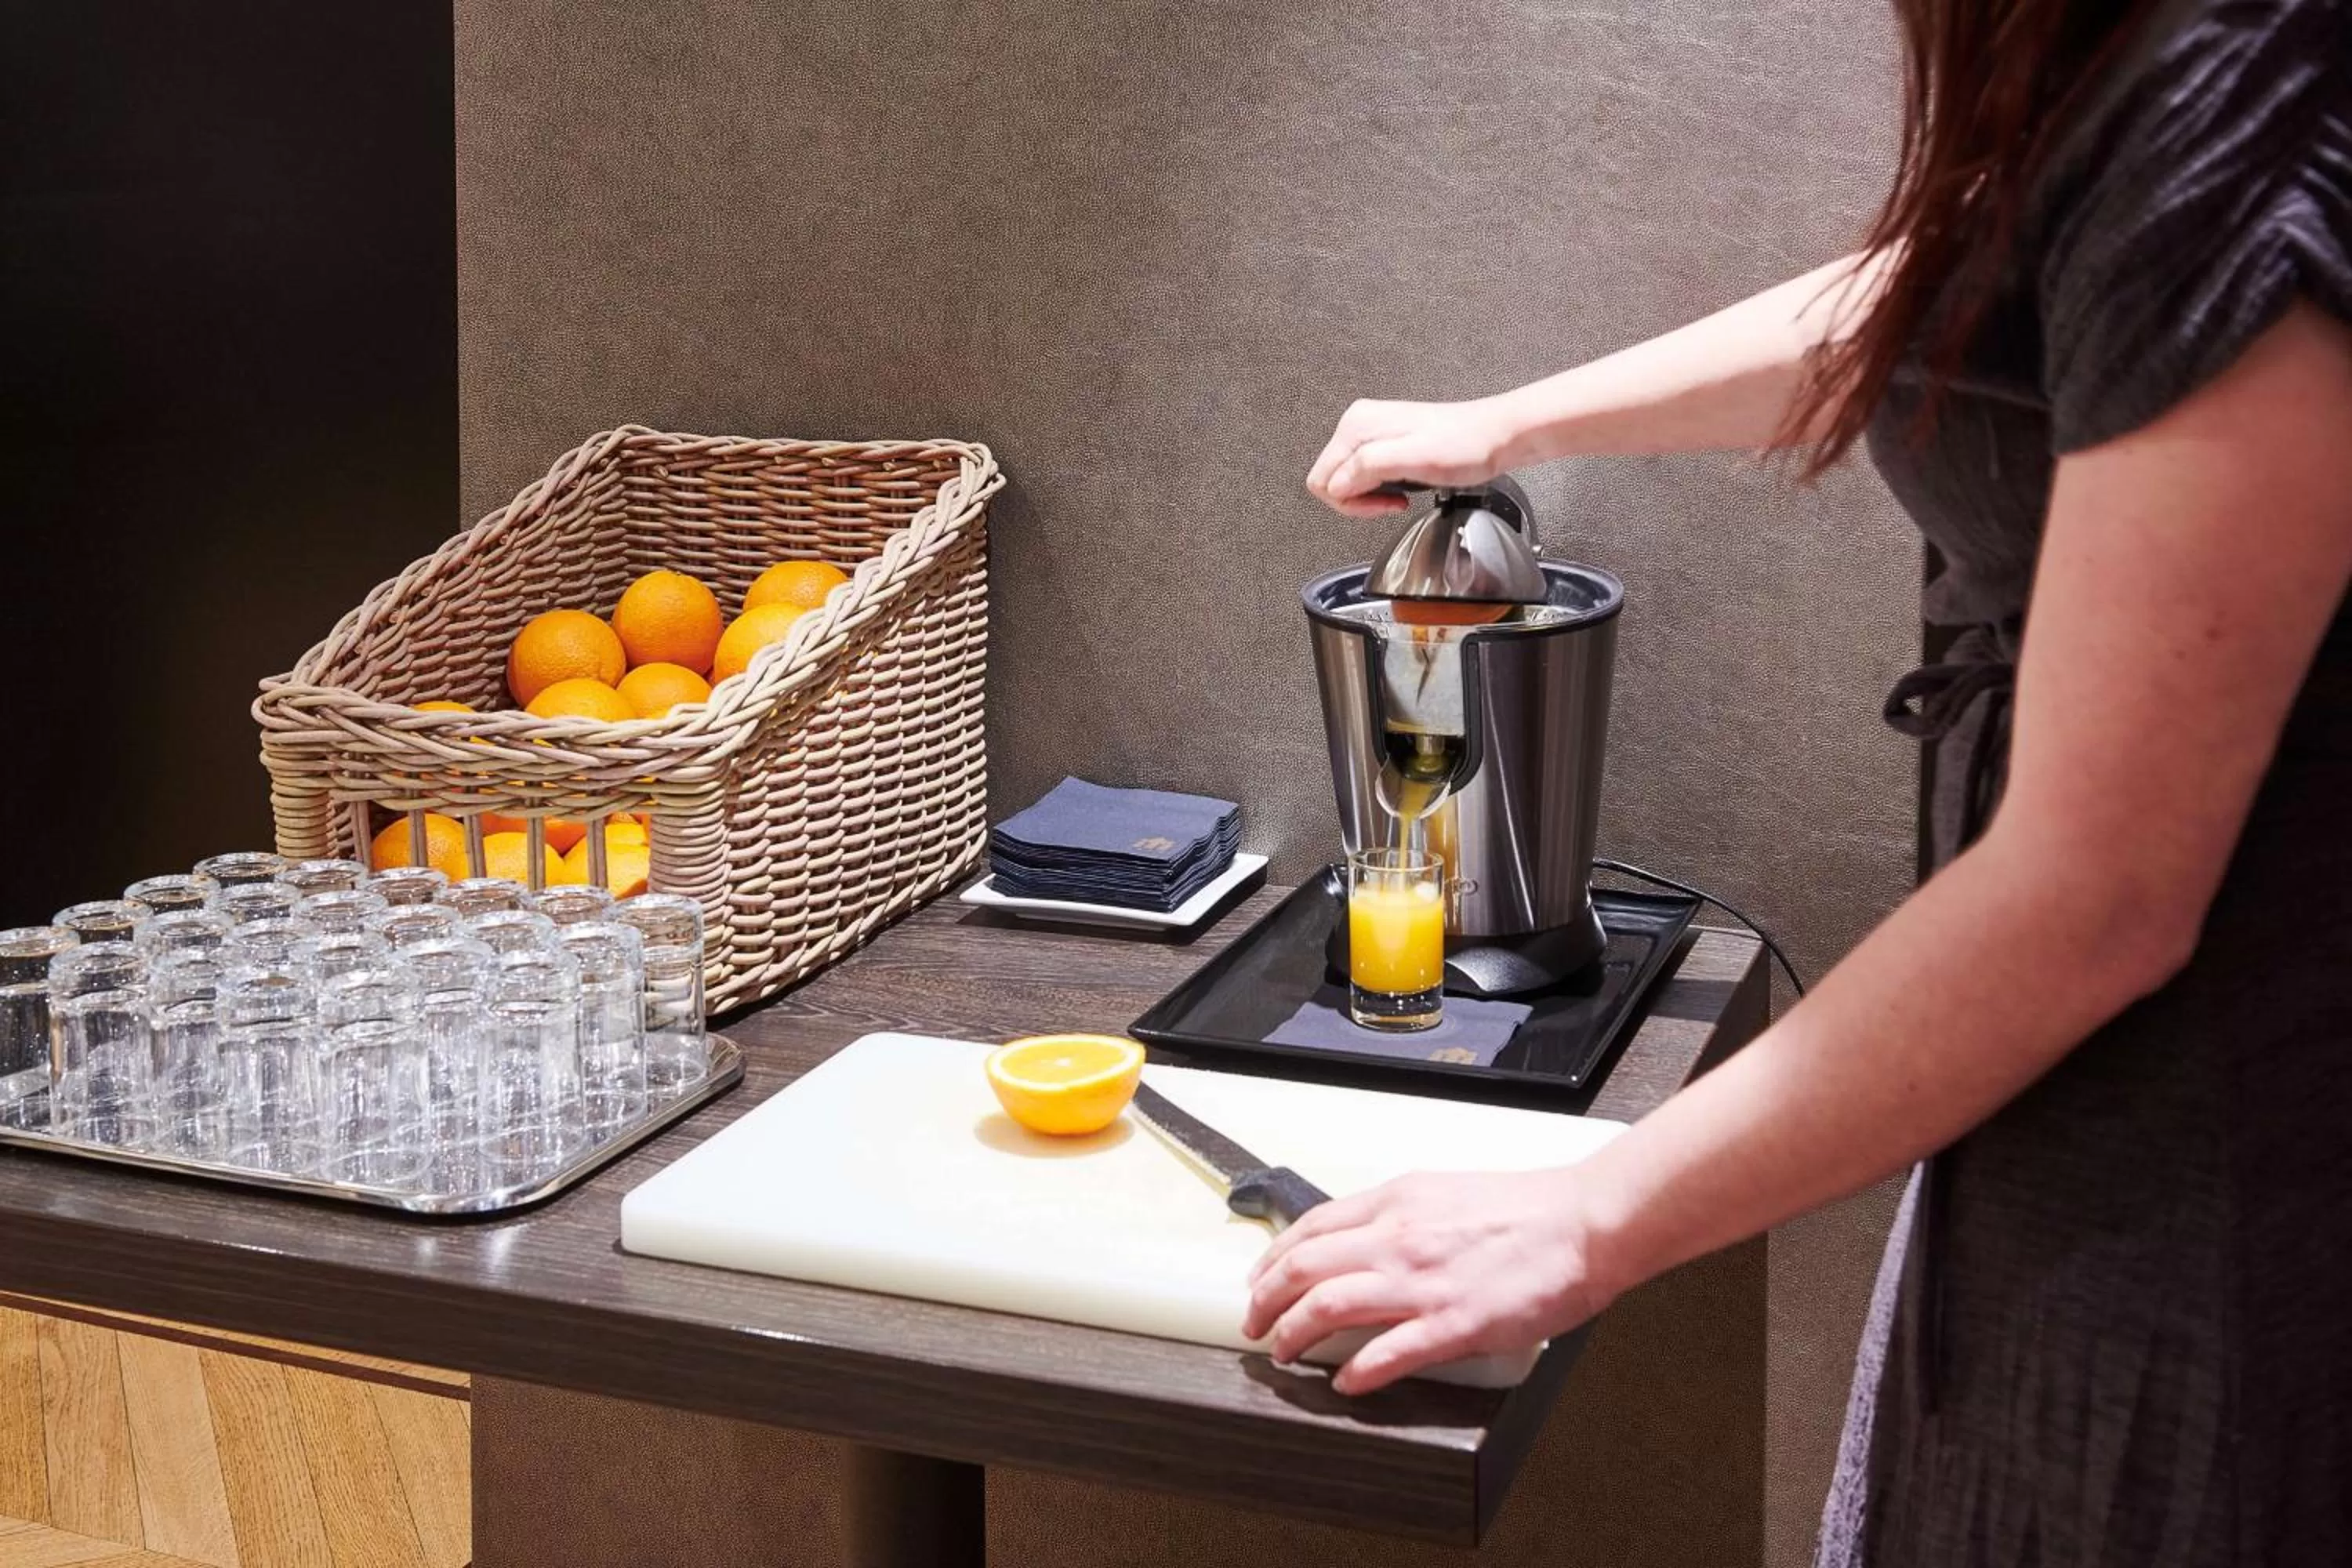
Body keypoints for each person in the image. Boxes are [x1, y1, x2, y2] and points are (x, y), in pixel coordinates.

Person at [1244, 0, 2352, 1561]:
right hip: (2059, 1108)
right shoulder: (2133, 62)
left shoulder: (2251, 86)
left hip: (2225, 1191)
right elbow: (1968, 290)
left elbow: (2100, 895)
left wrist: (1585, 1216)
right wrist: (1525, 416)